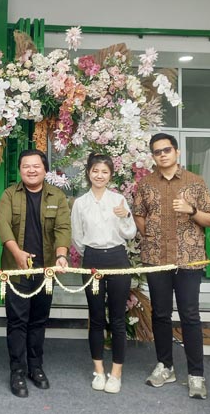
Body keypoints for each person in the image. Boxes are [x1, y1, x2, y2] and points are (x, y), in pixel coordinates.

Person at [133, 133, 210, 400]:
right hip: (156, 259)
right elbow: (139, 214)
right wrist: (151, 238)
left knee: (190, 316)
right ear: (153, 156)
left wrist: (192, 211)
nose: (162, 155)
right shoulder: (145, 184)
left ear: (177, 152)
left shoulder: (195, 183)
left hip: (189, 259)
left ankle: (196, 375)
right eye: (157, 152)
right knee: (160, 314)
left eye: (167, 150)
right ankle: (165, 366)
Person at [0, 149, 71, 398]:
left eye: (36, 166)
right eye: (26, 166)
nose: (31, 170)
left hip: (45, 271)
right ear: (20, 170)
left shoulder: (57, 196)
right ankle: (17, 370)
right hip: (16, 271)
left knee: (39, 321)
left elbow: (63, 228)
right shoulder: (9, 194)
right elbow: (3, 225)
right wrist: (16, 253)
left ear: (45, 169)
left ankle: (35, 368)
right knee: (17, 322)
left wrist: (61, 255)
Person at [70, 153, 137, 394]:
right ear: (89, 172)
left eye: (104, 172)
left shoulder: (118, 199)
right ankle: (98, 370)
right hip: (93, 259)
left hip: (118, 258)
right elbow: (77, 238)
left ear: (110, 175)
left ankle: (116, 373)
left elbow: (130, 234)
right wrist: (91, 254)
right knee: (96, 317)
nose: (99, 175)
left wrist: (126, 216)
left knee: (118, 318)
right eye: (95, 171)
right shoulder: (80, 203)